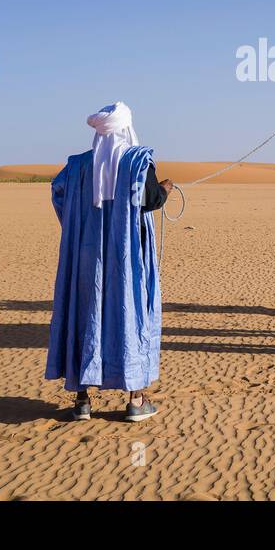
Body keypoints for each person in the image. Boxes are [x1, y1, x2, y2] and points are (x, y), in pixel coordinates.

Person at [46, 102, 173, 422]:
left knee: (84, 314)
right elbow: (150, 200)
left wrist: (80, 225)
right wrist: (165, 189)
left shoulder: (76, 166)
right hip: (126, 256)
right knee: (130, 314)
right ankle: (135, 399)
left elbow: (58, 192)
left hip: (86, 258)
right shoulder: (137, 161)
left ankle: (82, 400)